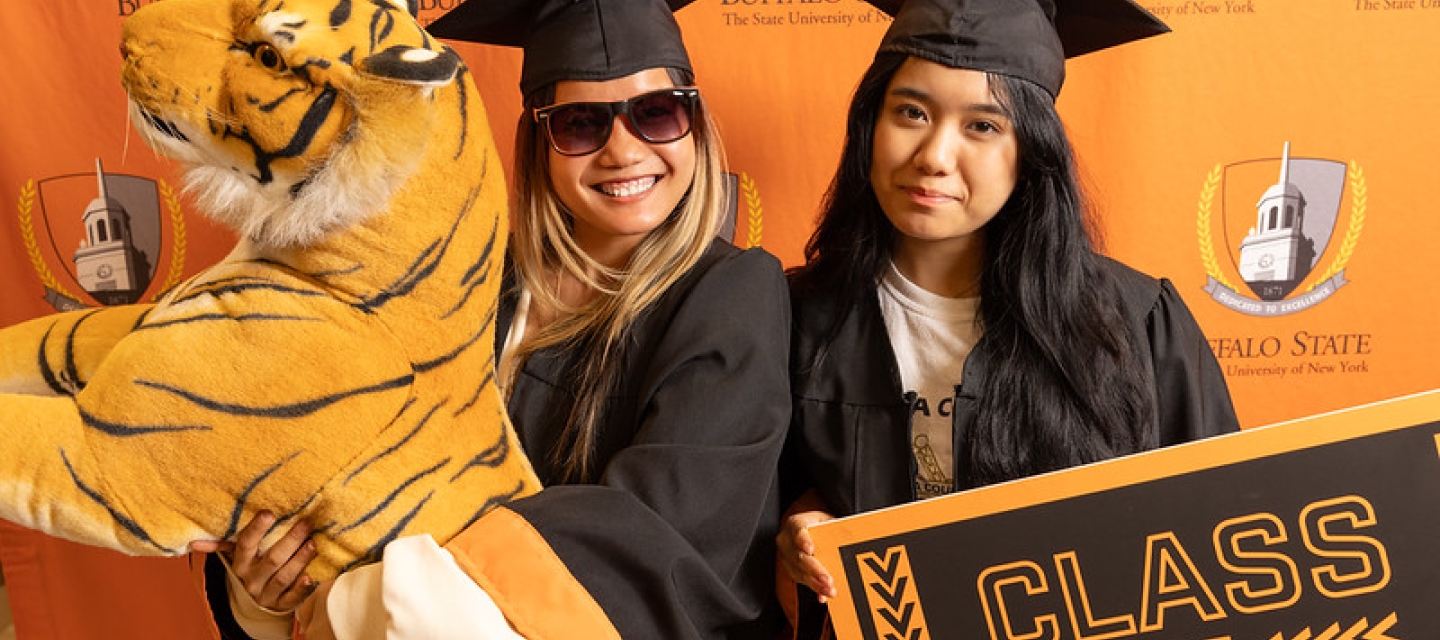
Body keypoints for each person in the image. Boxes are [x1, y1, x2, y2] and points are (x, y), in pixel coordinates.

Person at [199, 1, 792, 639]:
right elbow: (352, 471)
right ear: (538, 140)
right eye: (580, 124)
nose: (624, 150)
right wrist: (268, 593)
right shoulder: (464, 279)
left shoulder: (731, 294)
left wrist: (373, 593)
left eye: (656, 112)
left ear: (695, 123)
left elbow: (661, 534)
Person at [776, 0, 1240, 635]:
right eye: (911, 112)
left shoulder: (1135, 321)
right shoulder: (793, 317)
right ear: (870, 124)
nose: (934, 155)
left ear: (1032, 153)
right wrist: (795, 522)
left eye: (983, 126)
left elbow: (1216, 532)